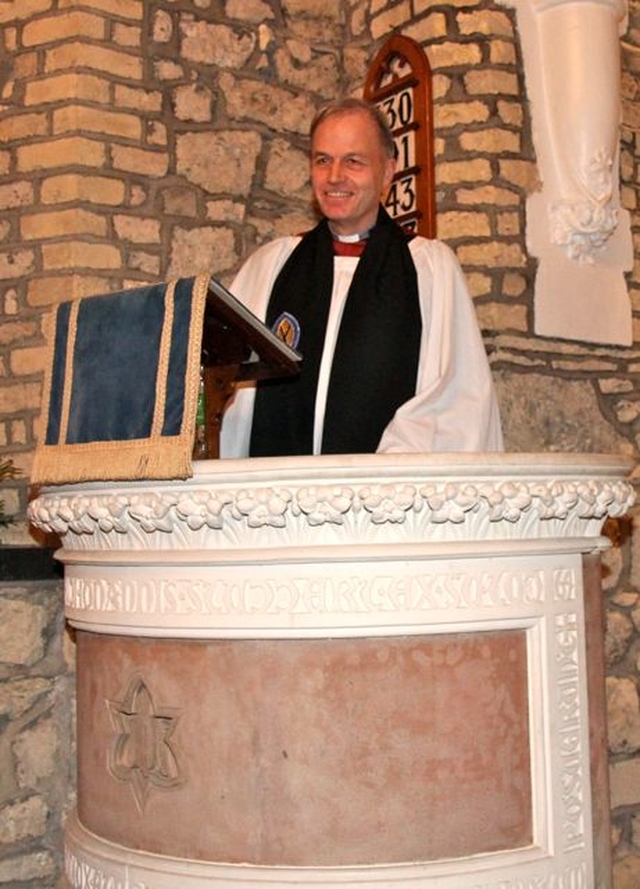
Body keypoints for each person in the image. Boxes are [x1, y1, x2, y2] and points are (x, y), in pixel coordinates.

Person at [220, 97, 503, 458]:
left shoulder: (428, 269)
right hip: (277, 503)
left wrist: (376, 481)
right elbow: (231, 399)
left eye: (353, 161)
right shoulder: (271, 266)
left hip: (381, 502)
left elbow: (455, 399)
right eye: (323, 160)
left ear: (387, 171)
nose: (335, 176)